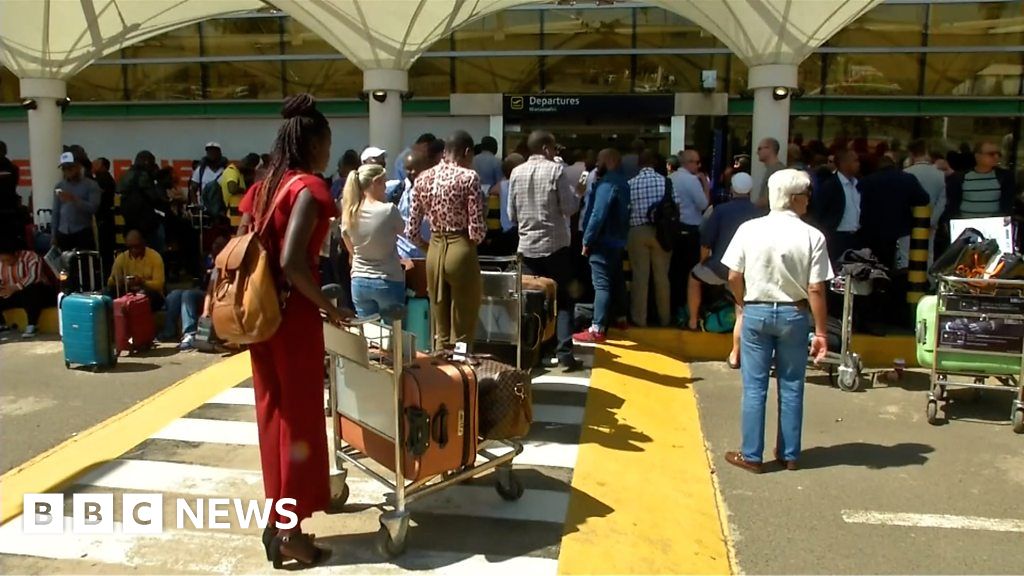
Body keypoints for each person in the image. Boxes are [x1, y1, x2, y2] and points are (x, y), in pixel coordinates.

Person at [236, 94, 353, 567]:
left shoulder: (264, 186)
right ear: (314, 142)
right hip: (295, 316)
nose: (329, 152)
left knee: (272, 417)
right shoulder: (310, 190)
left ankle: (278, 519)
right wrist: (330, 307)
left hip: (259, 314)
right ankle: (289, 533)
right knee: (301, 423)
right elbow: (293, 262)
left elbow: (250, 243)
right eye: (327, 143)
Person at [720, 169, 832, 474]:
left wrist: (743, 302)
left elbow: (733, 275)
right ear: (794, 198)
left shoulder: (748, 229)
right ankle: (790, 453)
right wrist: (821, 331)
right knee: (792, 385)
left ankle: (752, 455)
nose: (809, 200)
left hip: (756, 310)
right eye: (806, 195)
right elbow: (816, 288)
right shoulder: (813, 235)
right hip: (794, 314)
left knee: (754, 387)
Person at [508, 130, 583, 370]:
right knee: (562, 300)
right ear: (547, 149)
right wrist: (579, 193)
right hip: (554, 246)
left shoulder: (516, 172)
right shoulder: (556, 170)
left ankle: (535, 352)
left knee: (531, 302)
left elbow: (511, 215)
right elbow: (569, 208)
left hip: (526, 245)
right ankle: (564, 353)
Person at [408, 131, 485, 350]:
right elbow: (477, 229)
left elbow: (412, 231)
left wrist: (428, 246)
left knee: (440, 325)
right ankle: (462, 373)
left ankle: (442, 374)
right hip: (460, 248)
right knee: (463, 322)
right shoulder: (469, 177)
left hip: (434, 249)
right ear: (467, 152)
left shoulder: (423, 178)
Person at [688, 172, 764, 367]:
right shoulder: (759, 212)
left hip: (720, 267)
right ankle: (735, 355)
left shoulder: (720, 211)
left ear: (731, 189)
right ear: (750, 191)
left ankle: (693, 322)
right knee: (741, 311)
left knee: (694, 278)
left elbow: (705, 243)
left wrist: (703, 261)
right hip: (747, 271)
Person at [575, 149, 630, 343]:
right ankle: (621, 318)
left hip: (602, 240)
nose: (597, 163)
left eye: (600, 160)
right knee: (616, 279)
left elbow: (598, 214)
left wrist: (587, 240)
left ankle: (597, 329)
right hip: (617, 240)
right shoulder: (623, 182)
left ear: (611, 160)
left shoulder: (607, 184)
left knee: (601, 283)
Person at [341, 163, 406, 319]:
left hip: (359, 280)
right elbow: (403, 230)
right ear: (375, 182)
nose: (385, 188)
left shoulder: (350, 211)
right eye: (383, 182)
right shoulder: (388, 210)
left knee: (369, 335)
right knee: (393, 335)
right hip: (387, 279)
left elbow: (348, 243)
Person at [627, 150, 676, 328]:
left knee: (640, 277)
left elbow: (627, 209)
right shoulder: (666, 183)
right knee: (662, 277)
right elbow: (676, 206)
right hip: (662, 233)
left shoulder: (630, 184)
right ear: (655, 163)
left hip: (637, 231)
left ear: (639, 164)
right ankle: (665, 318)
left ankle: (640, 319)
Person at [160, 236, 227, 350]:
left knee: (188, 295)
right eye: (215, 243)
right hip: (203, 291)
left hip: (216, 297)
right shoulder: (209, 259)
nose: (215, 247)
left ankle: (190, 334)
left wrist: (206, 310)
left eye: (219, 245)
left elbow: (210, 292)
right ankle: (169, 331)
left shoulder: (226, 265)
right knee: (175, 294)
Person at [670, 149, 710, 315]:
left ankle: (674, 306)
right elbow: (703, 204)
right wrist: (706, 186)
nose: (699, 166)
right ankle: (689, 309)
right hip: (690, 228)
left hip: (673, 229)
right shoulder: (692, 180)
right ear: (688, 163)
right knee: (690, 272)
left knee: (674, 271)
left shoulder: (669, 178)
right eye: (697, 162)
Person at [809, 149, 862, 266]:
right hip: (837, 237)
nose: (858, 164)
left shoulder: (859, 184)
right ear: (844, 163)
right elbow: (819, 212)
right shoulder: (830, 185)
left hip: (856, 237)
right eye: (855, 161)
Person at [943, 141, 1016, 220]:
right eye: (991, 154)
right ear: (977, 156)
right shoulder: (961, 178)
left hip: (993, 225)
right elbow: (953, 203)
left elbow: (1007, 205)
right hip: (966, 224)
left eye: (998, 154)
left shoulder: (1005, 177)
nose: (996, 157)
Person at [0, 238, 56, 338]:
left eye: (8, 260)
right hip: (14, 295)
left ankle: (32, 325)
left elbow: (34, 277)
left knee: (32, 290)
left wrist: (14, 288)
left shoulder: (31, 257)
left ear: (16, 253)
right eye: (3, 260)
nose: (5, 263)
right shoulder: (1, 262)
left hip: (39, 293)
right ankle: (2, 325)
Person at [51, 152, 102, 252]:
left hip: (82, 232)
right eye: (64, 168)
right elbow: (56, 212)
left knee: (84, 264)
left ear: (78, 167)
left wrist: (74, 200)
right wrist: (53, 234)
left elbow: (93, 208)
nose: (67, 171)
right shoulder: (59, 186)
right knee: (64, 265)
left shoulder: (91, 185)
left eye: (70, 167)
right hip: (63, 233)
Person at [118, 151, 168, 253]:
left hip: (128, 220)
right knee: (160, 236)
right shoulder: (143, 176)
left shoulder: (126, 175)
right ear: (146, 162)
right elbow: (154, 198)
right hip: (144, 221)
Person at [107, 229, 165, 310]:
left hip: (148, 293)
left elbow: (159, 285)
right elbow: (110, 281)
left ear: (143, 243)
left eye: (137, 246)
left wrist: (143, 282)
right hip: (128, 292)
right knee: (109, 292)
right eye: (130, 247)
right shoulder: (122, 257)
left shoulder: (155, 257)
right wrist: (118, 280)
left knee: (147, 296)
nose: (134, 250)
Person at [488, 153, 525, 256]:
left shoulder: (502, 185)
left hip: (506, 230)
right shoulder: (523, 184)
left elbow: (491, 191)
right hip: (520, 231)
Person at [396, 152, 430, 260]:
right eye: (409, 169)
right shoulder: (396, 190)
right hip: (402, 254)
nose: (413, 172)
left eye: (417, 168)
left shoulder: (433, 191)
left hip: (426, 254)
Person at [756, 137, 785, 206]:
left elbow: (768, 199)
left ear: (769, 149)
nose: (757, 152)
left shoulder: (778, 171)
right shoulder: (772, 170)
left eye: (759, 149)